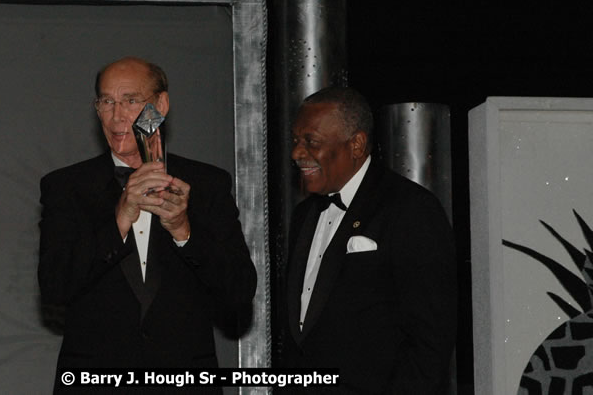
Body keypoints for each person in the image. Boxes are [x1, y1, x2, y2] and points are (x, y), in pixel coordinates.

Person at [38, 56, 257, 392]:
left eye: (131, 100)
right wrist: (119, 218)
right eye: (107, 101)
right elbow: (55, 286)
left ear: (161, 105)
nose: (117, 115)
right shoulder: (67, 187)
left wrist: (184, 231)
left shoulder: (206, 184)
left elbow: (239, 291)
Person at [280, 86, 457, 395]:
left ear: (357, 144)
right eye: (296, 141)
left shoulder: (410, 209)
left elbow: (430, 344)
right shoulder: (304, 215)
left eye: (311, 142)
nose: (296, 152)